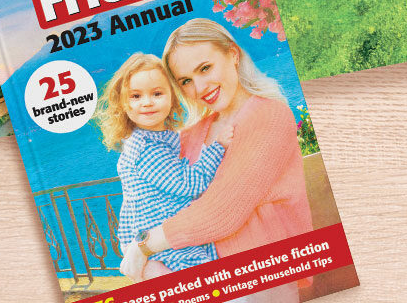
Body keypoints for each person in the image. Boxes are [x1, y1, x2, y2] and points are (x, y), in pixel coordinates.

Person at [120, 19, 312, 303]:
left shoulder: (268, 115)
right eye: (185, 81)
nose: (199, 87)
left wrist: (142, 248)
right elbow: (146, 197)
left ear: (233, 54)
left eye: (205, 68)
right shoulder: (194, 133)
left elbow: (222, 212)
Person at [98, 52, 233, 279]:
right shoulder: (146, 150)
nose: (147, 102)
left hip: (160, 237)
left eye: (157, 93)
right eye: (136, 96)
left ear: (172, 96)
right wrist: (218, 146)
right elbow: (191, 184)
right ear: (124, 104)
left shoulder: (154, 138)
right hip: (166, 241)